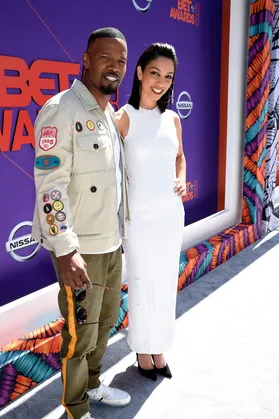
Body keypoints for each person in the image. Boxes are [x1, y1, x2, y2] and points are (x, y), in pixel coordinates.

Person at [32, 27, 131, 419]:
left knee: (105, 324)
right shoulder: (61, 110)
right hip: (81, 252)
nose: (115, 66)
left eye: (121, 61)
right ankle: (77, 412)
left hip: (111, 245)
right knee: (78, 336)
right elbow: (50, 187)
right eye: (106, 57)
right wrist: (66, 250)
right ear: (86, 60)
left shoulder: (108, 113)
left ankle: (92, 384)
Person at [116, 43, 186, 381]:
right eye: (154, 73)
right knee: (143, 284)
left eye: (168, 76)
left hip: (170, 216)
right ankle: (142, 349)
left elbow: (179, 159)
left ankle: (159, 347)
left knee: (164, 284)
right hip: (139, 219)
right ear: (140, 72)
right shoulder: (122, 119)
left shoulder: (172, 119)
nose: (161, 82)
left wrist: (182, 180)